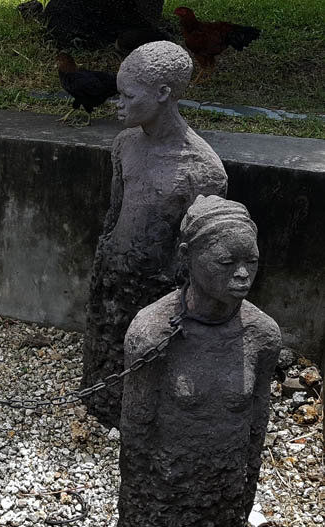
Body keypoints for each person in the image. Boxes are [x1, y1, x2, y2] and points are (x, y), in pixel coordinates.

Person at [81, 41, 228, 429]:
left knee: (147, 366)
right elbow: (115, 212)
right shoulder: (125, 145)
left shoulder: (203, 170)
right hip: (114, 272)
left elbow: (199, 254)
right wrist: (106, 257)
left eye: (128, 95)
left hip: (159, 290)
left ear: (163, 94)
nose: (118, 103)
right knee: (106, 357)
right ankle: (102, 401)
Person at [118, 195, 281, 526]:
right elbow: (135, 441)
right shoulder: (151, 333)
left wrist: (242, 498)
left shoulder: (262, 335)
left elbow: (256, 431)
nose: (242, 274)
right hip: (167, 492)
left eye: (251, 261)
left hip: (224, 492)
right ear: (187, 257)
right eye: (226, 263)